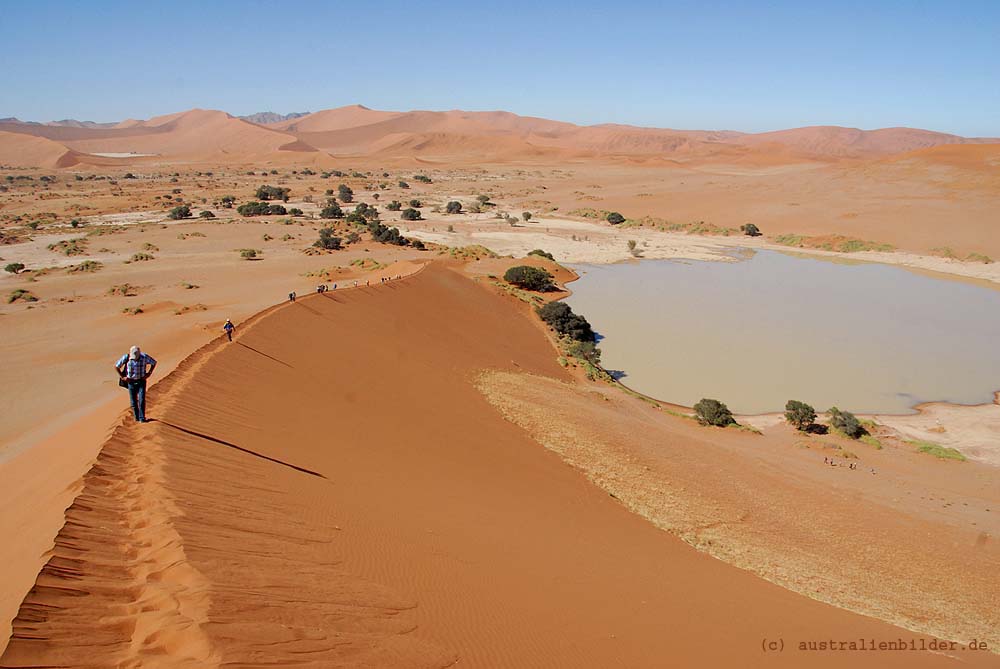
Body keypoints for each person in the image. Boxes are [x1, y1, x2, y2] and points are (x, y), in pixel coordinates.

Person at [114, 345, 157, 423]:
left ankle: (142, 418)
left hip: (141, 381)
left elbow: (154, 362)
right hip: (131, 382)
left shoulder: (144, 357)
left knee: (141, 399)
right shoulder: (126, 358)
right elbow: (116, 366)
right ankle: (136, 418)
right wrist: (123, 377)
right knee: (133, 401)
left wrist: (149, 373)